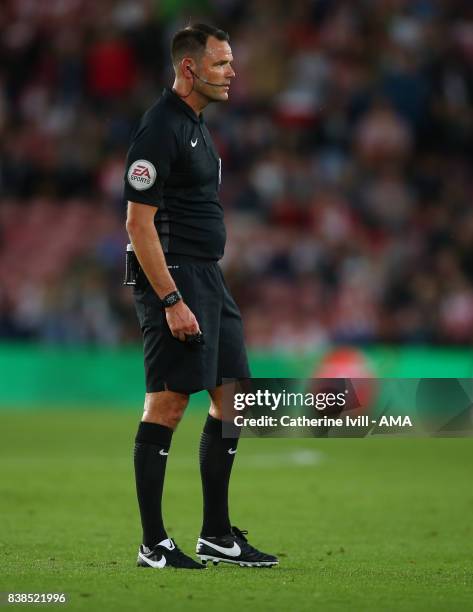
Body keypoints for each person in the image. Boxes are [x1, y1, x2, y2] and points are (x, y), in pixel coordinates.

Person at [124, 23, 278, 569]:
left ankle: (216, 534)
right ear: (189, 68)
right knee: (167, 403)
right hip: (176, 279)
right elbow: (138, 224)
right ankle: (153, 543)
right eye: (220, 63)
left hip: (209, 277)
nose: (232, 71)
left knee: (234, 397)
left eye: (231, 62)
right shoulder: (159, 127)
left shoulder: (197, 126)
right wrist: (170, 301)